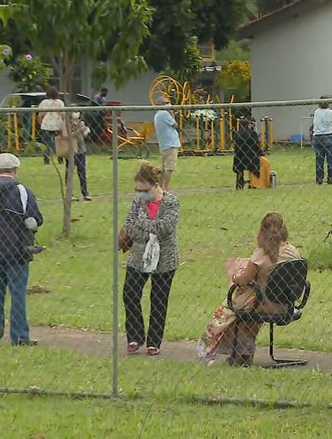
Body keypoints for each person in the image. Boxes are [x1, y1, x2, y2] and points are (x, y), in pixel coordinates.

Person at [197, 213, 301, 366]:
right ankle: (242, 354)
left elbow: (244, 280)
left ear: (262, 231)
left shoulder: (260, 255)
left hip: (264, 303)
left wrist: (234, 276)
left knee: (232, 309)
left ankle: (239, 355)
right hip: (286, 304)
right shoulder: (292, 251)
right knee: (245, 309)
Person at [120, 162, 180, 356]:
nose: (140, 194)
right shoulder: (137, 201)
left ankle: (154, 341)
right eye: (138, 190)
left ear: (154, 185)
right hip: (138, 256)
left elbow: (167, 227)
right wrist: (149, 229)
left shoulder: (171, 202)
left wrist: (143, 226)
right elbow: (129, 225)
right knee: (130, 293)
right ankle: (135, 336)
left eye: (143, 189)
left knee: (159, 299)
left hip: (165, 258)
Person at [0, 153, 43, 346]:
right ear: (15, 170)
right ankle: (19, 336)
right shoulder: (22, 190)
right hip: (16, 249)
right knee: (17, 292)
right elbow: (36, 219)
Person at [153, 99, 181, 191]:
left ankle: (160, 187)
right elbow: (175, 124)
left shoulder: (157, 115)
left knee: (164, 168)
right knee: (169, 168)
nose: (169, 104)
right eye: (167, 103)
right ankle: (166, 188)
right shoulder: (164, 113)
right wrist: (172, 111)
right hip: (170, 144)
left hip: (164, 144)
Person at [312, 97, 332, 185]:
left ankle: (319, 179)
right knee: (330, 159)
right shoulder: (331, 113)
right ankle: (330, 179)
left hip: (317, 136)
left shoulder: (317, 112)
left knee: (319, 159)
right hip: (329, 135)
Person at [66, 113, 92, 201]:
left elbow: (85, 135)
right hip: (71, 150)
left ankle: (85, 193)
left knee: (82, 172)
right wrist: (77, 131)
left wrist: (84, 130)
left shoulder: (81, 123)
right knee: (70, 172)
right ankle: (70, 194)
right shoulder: (67, 124)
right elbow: (66, 136)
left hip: (81, 150)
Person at [37, 86, 65, 165]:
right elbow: (63, 115)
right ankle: (60, 158)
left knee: (47, 143)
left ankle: (46, 159)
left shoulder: (44, 103)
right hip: (58, 125)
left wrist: (41, 124)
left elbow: (40, 115)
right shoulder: (60, 102)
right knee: (59, 142)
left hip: (47, 125)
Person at [233, 117, 264, 189]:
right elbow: (256, 146)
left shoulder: (237, 133)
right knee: (255, 166)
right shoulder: (253, 133)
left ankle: (239, 183)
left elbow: (236, 146)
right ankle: (253, 183)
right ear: (249, 124)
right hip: (251, 157)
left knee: (239, 169)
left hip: (239, 157)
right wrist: (261, 153)